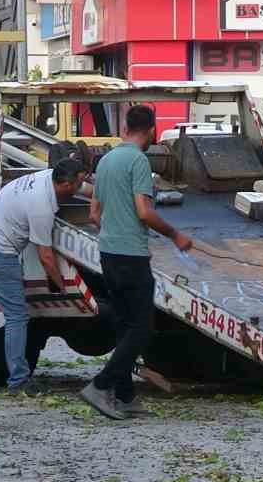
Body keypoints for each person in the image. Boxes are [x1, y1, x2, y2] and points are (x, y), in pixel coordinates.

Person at [82, 105, 192, 420]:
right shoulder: (138, 161)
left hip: (108, 253)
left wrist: (114, 234)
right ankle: (101, 385)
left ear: (126, 126)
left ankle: (125, 395)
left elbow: (94, 214)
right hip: (131, 254)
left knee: (125, 325)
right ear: (152, 130)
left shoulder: (106, 161)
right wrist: (175, 235)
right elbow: (144, 211)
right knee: (142, 328)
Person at [0, 158, 88, 394]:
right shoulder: (41, 207)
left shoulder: (48, 176)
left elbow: (83, 186)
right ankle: (18, 381)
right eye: (79, 183)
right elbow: (46, 256)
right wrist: (62, 288)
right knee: (17, 316)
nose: (81, 187)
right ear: (66, 185)